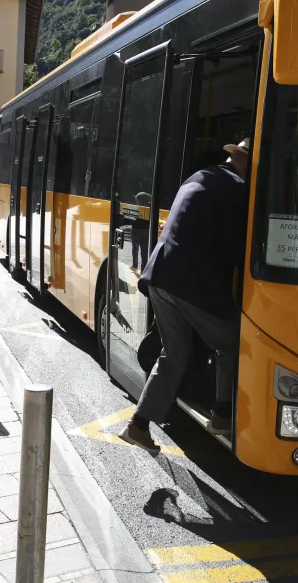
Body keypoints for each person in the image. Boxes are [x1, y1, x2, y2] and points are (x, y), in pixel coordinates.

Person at [118, 138, 251, 453]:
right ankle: (222, 414)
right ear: (248, 163)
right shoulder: (236, 188)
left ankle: (138, 425)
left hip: (160, 275)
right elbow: (234, 248)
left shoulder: (200, 176)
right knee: (232, 343)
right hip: (191, 284)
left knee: (174, 353)